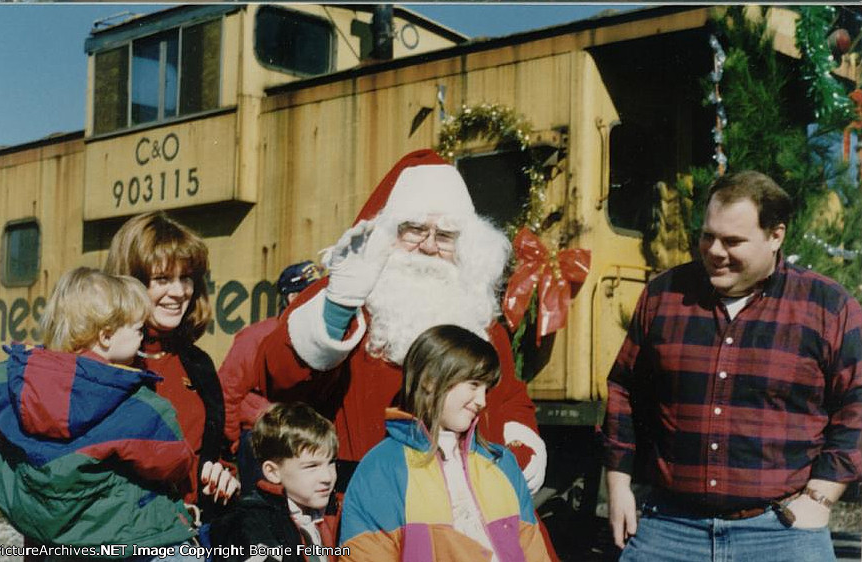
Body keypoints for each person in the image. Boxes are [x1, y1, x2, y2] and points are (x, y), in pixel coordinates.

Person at [602, 171, 862, 561]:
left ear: (776, 236)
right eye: (708, 236)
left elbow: (856, 406)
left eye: (733, 241)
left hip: (781, 533)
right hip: (670, 529)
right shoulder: (663, 296)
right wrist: (618, 485)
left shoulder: (828, 307)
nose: (714, 251)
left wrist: (820, 497)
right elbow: (624, 389)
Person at [253, 149, 546, 493]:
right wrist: (338, 306)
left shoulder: (477, 316)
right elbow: (278, 377)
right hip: (369, 503)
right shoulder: (348, 295)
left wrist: (521, 437)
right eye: (415, 230)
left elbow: (508, 396)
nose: (430, 246)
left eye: (446, 235)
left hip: (466, 504)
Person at [0, 268, 198, 558]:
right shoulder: (140, 407)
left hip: (43, 537)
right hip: (127, 542)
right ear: (106, 336)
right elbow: (177, 460)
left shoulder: (2, 379)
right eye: (138, 329)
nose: (142, 338)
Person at [339, 325, 551, 561]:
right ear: (430, 381)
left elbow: (533, 550)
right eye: (473, 384)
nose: (481, 400)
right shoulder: (383, 468)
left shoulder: (501, 463)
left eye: (486, 388)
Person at [105, 211, 238, 521]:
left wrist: (223, 474)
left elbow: (212, 451)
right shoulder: (104, 359)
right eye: (162, 279)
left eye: (186, 277)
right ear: (130, 283)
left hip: (190, 533)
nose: (179, 293)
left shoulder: (197, 363)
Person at [218, 261, 326, 494]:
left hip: (307, 443)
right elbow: (227, 392)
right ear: (293, 297)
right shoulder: (256, 337)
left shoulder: (323, 341)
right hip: (263, 440)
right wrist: (234, 445)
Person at [210, 402, 341, 562]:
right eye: (311, 466)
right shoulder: (254, 522)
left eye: (331, 462)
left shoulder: (337, 509)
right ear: (273, 472)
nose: (327, 477)